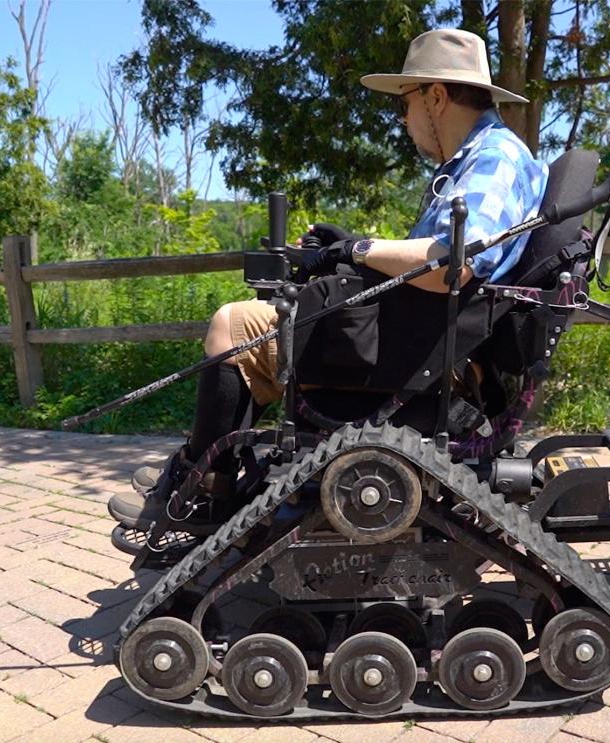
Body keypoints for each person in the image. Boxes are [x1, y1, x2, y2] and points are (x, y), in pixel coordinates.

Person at [108, 28, 548, 529]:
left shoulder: (493, 161)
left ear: (436, 97)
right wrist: (354, 248)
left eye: (403, 105)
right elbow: (438, 259)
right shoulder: (481, 159)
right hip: (432, 338)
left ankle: (202, 489)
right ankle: (212, 475)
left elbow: (451, 264)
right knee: (266, 319)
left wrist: (357, 249)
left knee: (231, 326)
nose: (403, 121)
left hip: (428, 355)